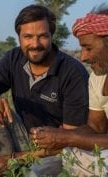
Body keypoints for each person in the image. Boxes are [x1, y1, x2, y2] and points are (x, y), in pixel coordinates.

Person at [0, 4, 89, 176]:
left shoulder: (72, 72)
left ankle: (11, 167)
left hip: (57, 149)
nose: (35, 44)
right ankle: (6, 169)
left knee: (31, 173)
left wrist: (14, 158)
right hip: (26, 139)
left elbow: (71, 139)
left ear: (52, 35)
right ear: (19, 37)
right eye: (27, 36)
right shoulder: (14, 58)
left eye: (42, 36)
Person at [30, 3, 108, 176]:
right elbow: (96, 128)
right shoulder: (98, 78)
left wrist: (67, 137)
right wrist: (58, 135)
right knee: (66, 153)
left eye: (88, 48)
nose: (83, 56)